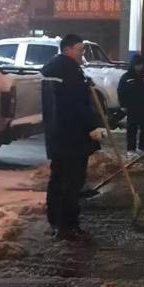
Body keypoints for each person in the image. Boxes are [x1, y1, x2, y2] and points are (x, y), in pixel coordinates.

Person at [41, 34, 103, 241]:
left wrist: (85, 83)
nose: (82, 53)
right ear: (67, 49)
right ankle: (69, 224)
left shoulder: (52, 69)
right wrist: (91, 126)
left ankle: (55, 221)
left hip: (56, 133)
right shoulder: (69, 71)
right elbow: (76, 104)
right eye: (80, 49)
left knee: (58, 178)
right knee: (72, 181)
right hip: (73, 135)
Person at [117, 54, 144, 155]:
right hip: (132, 107)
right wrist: (123, 105)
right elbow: (121, 92)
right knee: (132, 128)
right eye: (137, 65)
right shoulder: (126, 77)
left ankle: (143, 147)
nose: (139, 67)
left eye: (141, 64)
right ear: (133, 65)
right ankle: (131, 149)